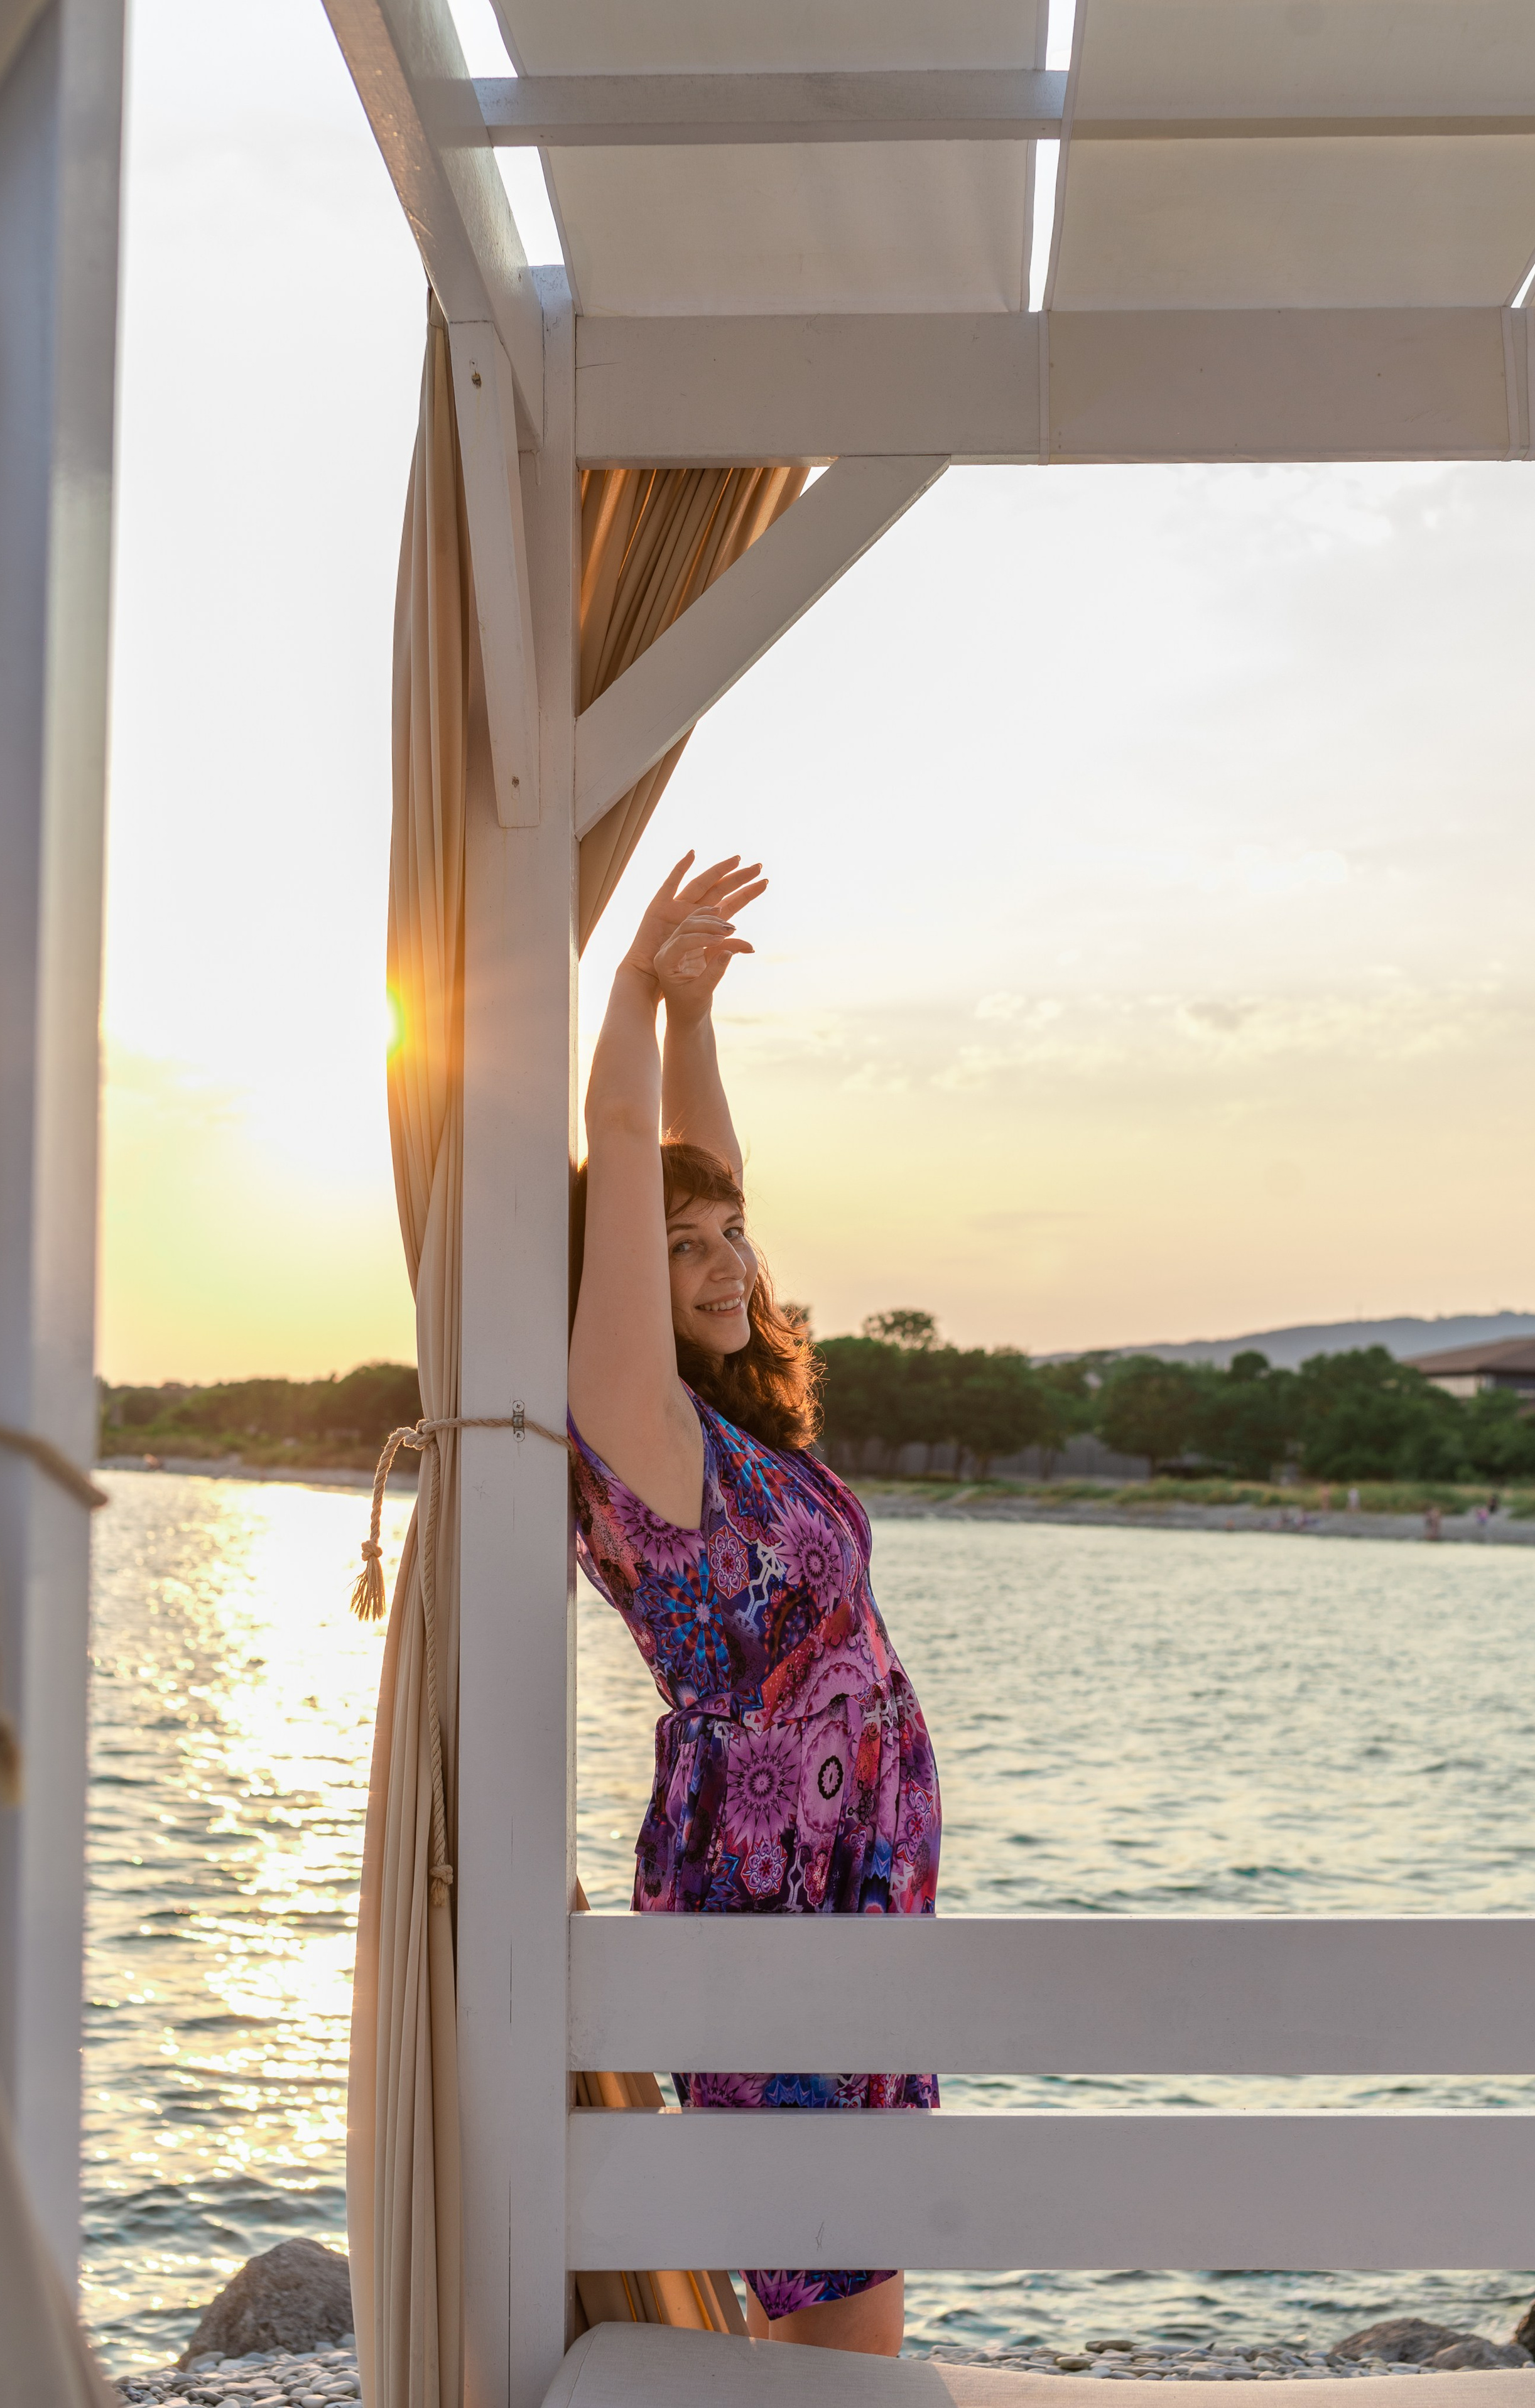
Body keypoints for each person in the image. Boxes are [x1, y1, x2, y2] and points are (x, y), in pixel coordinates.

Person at [568, 851, 941, 2358]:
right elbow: (615, 1141)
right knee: (835, 2307)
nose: (729, 1262)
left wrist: (696, 1020)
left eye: (731, 1238)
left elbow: (691, 1162)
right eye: (682, 1248)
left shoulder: (737, 1432)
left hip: (845, 1888)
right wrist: (627, 991)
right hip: (769, 1884)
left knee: (831, 2306)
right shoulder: (635, 1429)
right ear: (612, 1282)